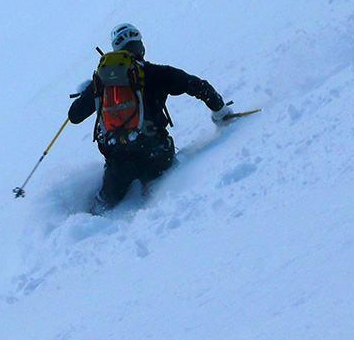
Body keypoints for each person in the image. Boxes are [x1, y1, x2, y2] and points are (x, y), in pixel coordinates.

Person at [68, 23, 232, 214]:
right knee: (159, 192)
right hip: (156, 155)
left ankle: (87, 221)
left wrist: (92, 91)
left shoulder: (101, 82)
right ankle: (152, 205)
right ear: (141, 47)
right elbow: (199, 86)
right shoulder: (158, 73)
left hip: (118, 163)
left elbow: (74, 116)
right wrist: (220, 112)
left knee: (102, 205)